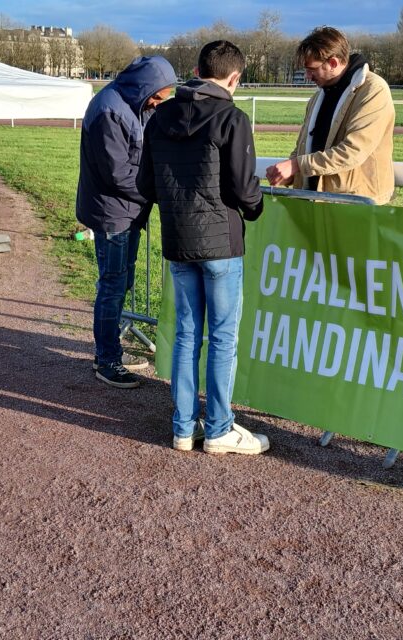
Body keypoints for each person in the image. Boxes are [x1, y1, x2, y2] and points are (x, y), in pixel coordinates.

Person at [137, 41, 268, 455]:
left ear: (195, 69)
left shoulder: (159, 118)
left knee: (187, 335)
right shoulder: (232, 117)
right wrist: (256, 208)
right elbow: (246, 190)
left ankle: (182, 427)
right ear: (234, 79)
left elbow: (145, 184)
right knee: (223, 338)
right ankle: (218, 428)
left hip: (178, 239)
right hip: (221, 243)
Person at [76, 56, 177, 389]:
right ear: (146, 86)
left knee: (120, 284)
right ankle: (107, 360)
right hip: (113, 214)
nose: (158, 103)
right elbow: (119, 173)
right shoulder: (110, 110)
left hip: (126, 211)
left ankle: (112, 350)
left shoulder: (131, 103)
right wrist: (162, 191)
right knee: (112, 287)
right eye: (158, 96)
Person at [264, 27, 395, 204]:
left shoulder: (374, 90)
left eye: (312, 69)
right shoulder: (317, 96)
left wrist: (297, 165)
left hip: (354, 205)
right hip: (314, 202)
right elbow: (303, 146)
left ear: (333, 63)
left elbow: (352, 151)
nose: (308, 77)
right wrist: (291, 173)